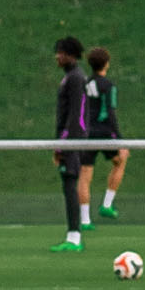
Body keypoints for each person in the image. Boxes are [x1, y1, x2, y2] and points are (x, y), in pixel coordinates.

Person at [75, 46, 128, 222]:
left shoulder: (84, 84)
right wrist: (119, 139)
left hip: (87, 134)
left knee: (85, 174)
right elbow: (110, 112)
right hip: (104, 132)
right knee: (121, 158)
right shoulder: (108, 85)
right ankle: (107, 203)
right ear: (106, 64)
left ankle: (85, 220)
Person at [50, 37, 92, 252]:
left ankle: (74, 236)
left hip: (72, 140)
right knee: (68, 185)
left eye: (61, 52)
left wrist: (63, 145)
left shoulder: (75, 78)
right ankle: (73, 233)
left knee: (70, 185)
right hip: (69, 140)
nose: (58, 56)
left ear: (72, 55)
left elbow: (75, 115)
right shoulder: (70, 77)